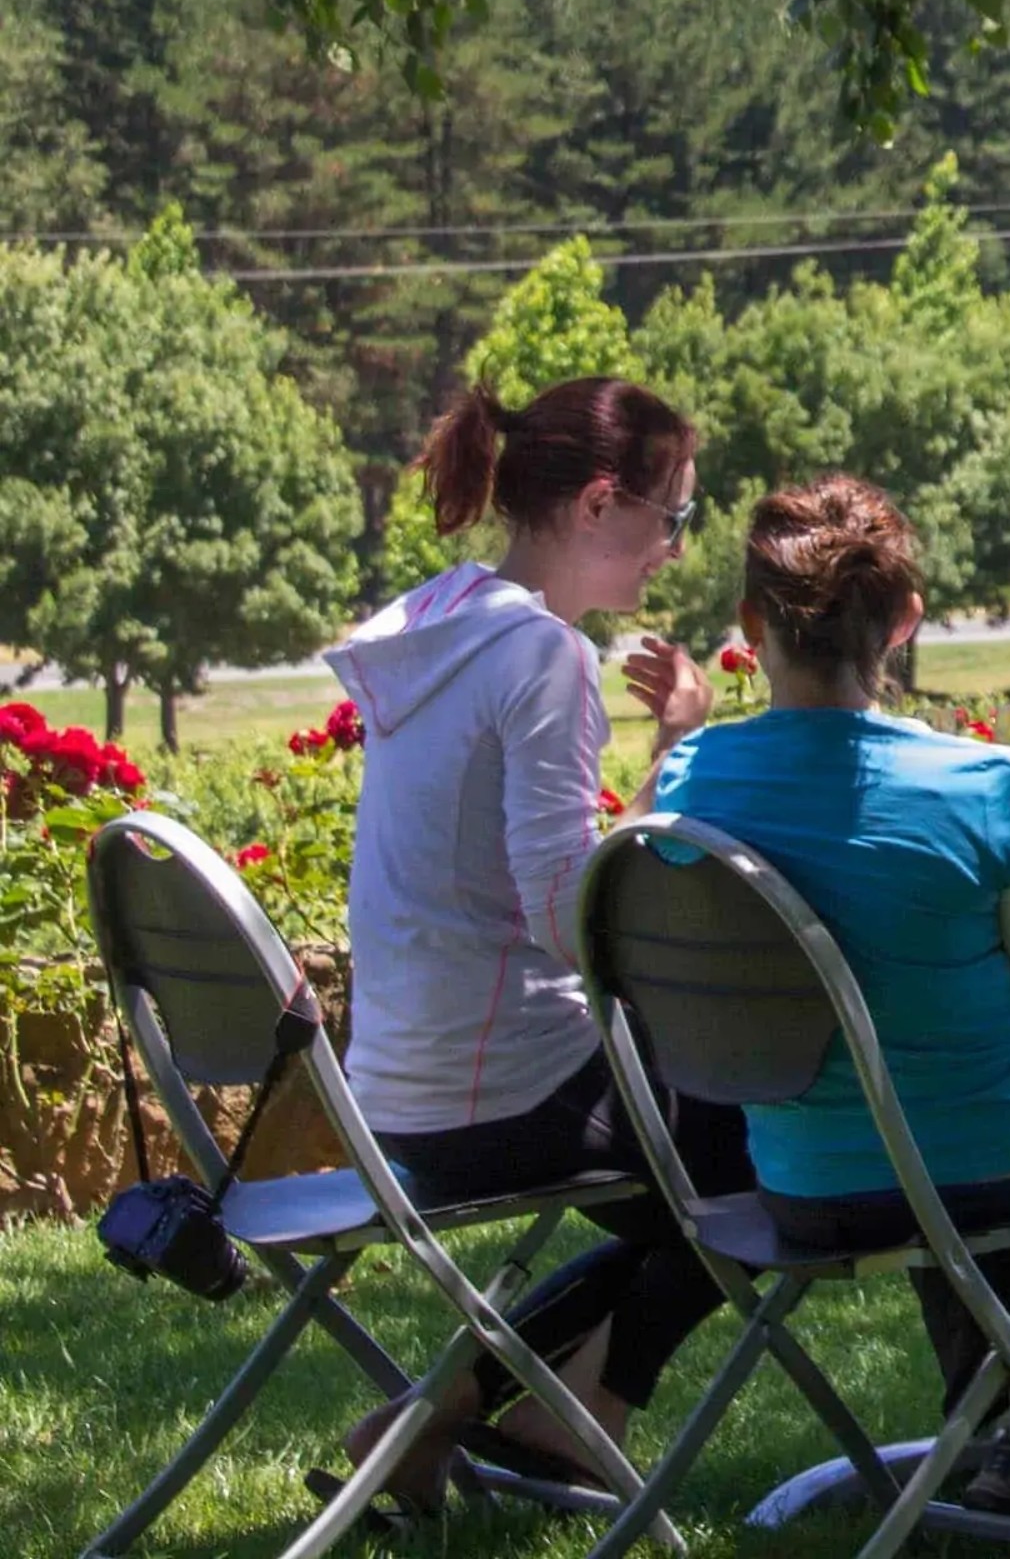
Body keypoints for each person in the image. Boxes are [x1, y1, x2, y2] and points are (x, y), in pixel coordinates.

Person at [650, 475, 1010, 1533]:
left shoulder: (687, 782)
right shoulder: (982, 783)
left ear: (749, 626)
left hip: (799, 1182)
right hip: (993, 1167)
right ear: (903, 624)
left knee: (950, 1152)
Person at [310, 376, 742, 1525]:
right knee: (775, 1162)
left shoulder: (446, 621)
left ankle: (449, 1421)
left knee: (698, 1188)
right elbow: (573, 919)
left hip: (397, 1080)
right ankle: (527, 1416)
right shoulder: (541, 658)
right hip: (506, 1081)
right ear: (600, 501)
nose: (672, 552)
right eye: (673, 517)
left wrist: (675, 740)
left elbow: (552, 889)